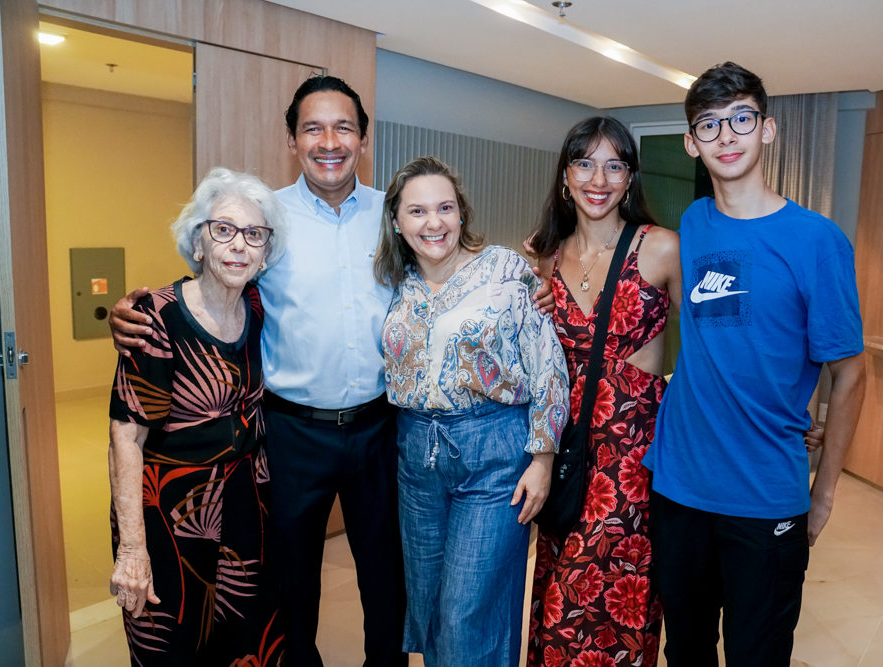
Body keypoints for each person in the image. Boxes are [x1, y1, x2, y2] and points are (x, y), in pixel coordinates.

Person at [109, 75, 557, 666]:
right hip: (292, 430)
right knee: (291, 582)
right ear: (293, 140)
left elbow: (453, 277)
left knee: (388, 578)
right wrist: (132, 312)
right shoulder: (268, 217)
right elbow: (215, 280)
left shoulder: (394, 214)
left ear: (363, 139)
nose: (329, 140)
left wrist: (528, 291)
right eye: (312, 128)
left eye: (343, 127)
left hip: (381, 427)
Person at [643, 62, 867, 667]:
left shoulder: (817, 241)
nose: (726, 136)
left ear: (766, 129)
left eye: (741, 118)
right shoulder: (693, 223)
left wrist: (822, 496)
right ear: (692, 143)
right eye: (709, 125)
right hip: (679, 488)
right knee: (686, 650)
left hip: (765, 495)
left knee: (757, 656)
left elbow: (850, 375)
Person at [374, 156, 570, 667]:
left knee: (468, 614)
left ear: (462, 213)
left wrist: (543, 459)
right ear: (397, 220)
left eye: (444, 207)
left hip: (494, 456)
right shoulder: (395, 284)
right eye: (417, 211)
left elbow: (548, 364)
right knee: (433, 611)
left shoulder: (504, 269)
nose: (433, 222)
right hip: (417, 461)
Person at [108, 167, 288, 666]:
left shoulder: (256, 308)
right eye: (223, 229)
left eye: (254, 234)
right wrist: (132, 550)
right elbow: (125, 437)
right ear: (199, 241)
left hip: (246, 509)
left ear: (265, 252)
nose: (238, 246)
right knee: (170, 645)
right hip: (167, 515)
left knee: (246, 645)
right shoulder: (156, 320)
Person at [525, 117, 681, 667]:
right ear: (565, 175)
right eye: (585, 163)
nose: (599, 178)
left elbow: (711, 350)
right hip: (567, 456)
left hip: (634, 463)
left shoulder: (661, 248)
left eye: (615, 165)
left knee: (623, 605)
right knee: (560, 605)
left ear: (630, 177)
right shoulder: (544, 259)